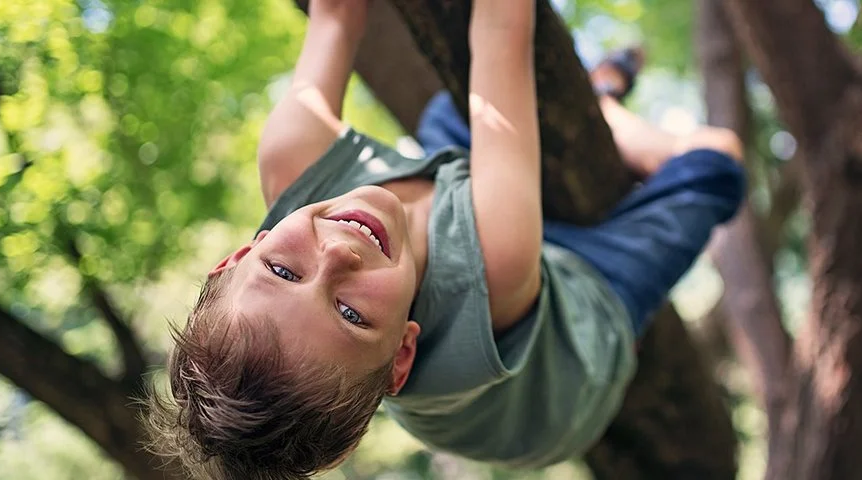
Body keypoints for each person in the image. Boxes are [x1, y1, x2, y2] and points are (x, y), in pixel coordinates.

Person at [144, 0, 746, 478]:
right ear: (403, 353)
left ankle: (599, 97)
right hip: (564, 367)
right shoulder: (496, 259)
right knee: (715, 162)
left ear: (239, 257)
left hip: (484, 220)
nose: (337, 255)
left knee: (456, 114)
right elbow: (502, 31)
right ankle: (608, 105)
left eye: (282, 271)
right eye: (351, 313)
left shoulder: (293, 155)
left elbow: (335, 12)